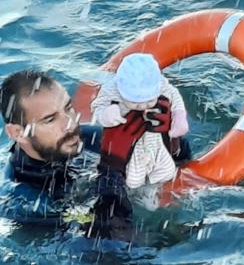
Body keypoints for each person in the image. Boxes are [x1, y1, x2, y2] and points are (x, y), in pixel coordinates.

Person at [0, 69, 184, 241]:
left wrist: (167, 139)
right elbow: (112, 241)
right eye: (50, 119)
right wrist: (113, 167)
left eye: (68, 108)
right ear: (17, 133)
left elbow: (178, 161)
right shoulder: (23, 201)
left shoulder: (85, 138)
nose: (70, 124)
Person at [91, 53, 189, 193]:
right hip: (131, 145)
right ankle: (136, 194)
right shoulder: (112, 89)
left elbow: (175, 97)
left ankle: (163, 188)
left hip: (155, 140)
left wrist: (179, 117)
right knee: (133, 180)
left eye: (149, 101)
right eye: (135, 103)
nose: (143, 106)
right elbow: (98, 106)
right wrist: (107, 114)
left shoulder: (161, 84)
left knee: (166, 170)